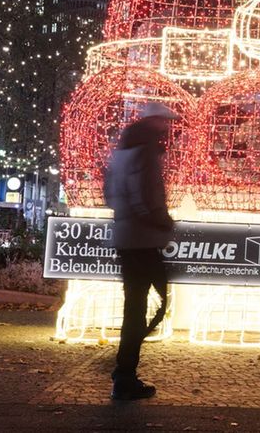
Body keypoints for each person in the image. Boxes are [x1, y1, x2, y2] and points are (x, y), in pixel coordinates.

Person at [103, 104, 176, 401]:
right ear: (154, 122)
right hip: (143, 240)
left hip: (126, 238)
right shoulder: (145, 152)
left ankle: (124, 370)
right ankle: (124, 370)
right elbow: (144, 196)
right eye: (165, 121)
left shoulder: (120, 152)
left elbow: (110, 195)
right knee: (157, 304)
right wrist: (161, 220)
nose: (169, 127)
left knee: (135, 306)